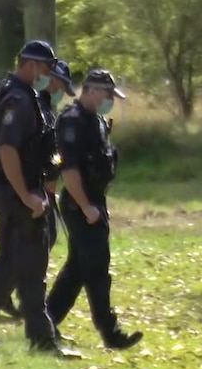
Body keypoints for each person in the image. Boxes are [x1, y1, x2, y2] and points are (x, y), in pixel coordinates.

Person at [0, 40, 81, 359]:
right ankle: (41, 339)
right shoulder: (19, 100)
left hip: (19, 190)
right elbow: (8, 149)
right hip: (18, 192)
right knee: (30, 267)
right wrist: (26, 195)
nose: (48, 76)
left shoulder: (24, 95)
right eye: (46, 69)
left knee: (9, 267)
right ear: (31, 65)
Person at [45, 68, 143, 351]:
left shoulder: (96, 121)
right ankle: (110, 333)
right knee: (97, 268)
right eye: (107, 94)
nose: (110, 100)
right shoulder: (72, 122)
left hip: (94, 202)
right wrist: (86, 207)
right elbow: (70, 170)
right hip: (80, 204)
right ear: (90, 90)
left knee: (77, 269)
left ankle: (45, 324)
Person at [0, 59, 76, 321]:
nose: (60, 90)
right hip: (28, 187)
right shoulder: (33, 104)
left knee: (32, 243)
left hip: (41, 186)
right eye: (60, 84)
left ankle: (6, 295)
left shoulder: (46, 108)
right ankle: (5, 296)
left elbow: (52, 153)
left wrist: (58, 165)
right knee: (30, 244)